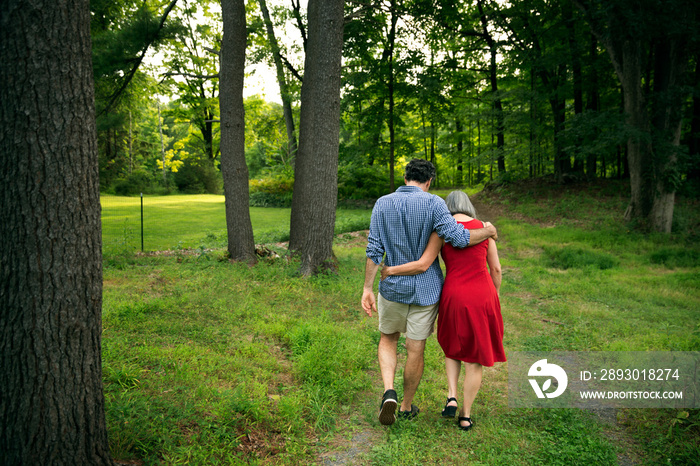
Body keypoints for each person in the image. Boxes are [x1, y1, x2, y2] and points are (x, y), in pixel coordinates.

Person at [361, 160, 497, 426]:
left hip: (392, 290)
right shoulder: (435, 204)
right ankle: (406, 406)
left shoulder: (382, 203)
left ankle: (389, 390)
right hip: (426, 290)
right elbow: (459, 237)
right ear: (430, 181)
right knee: (415, 348)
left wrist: (367, 287)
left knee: (388, 339)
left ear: (405, 176)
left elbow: (374, 249)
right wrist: (489, 231)